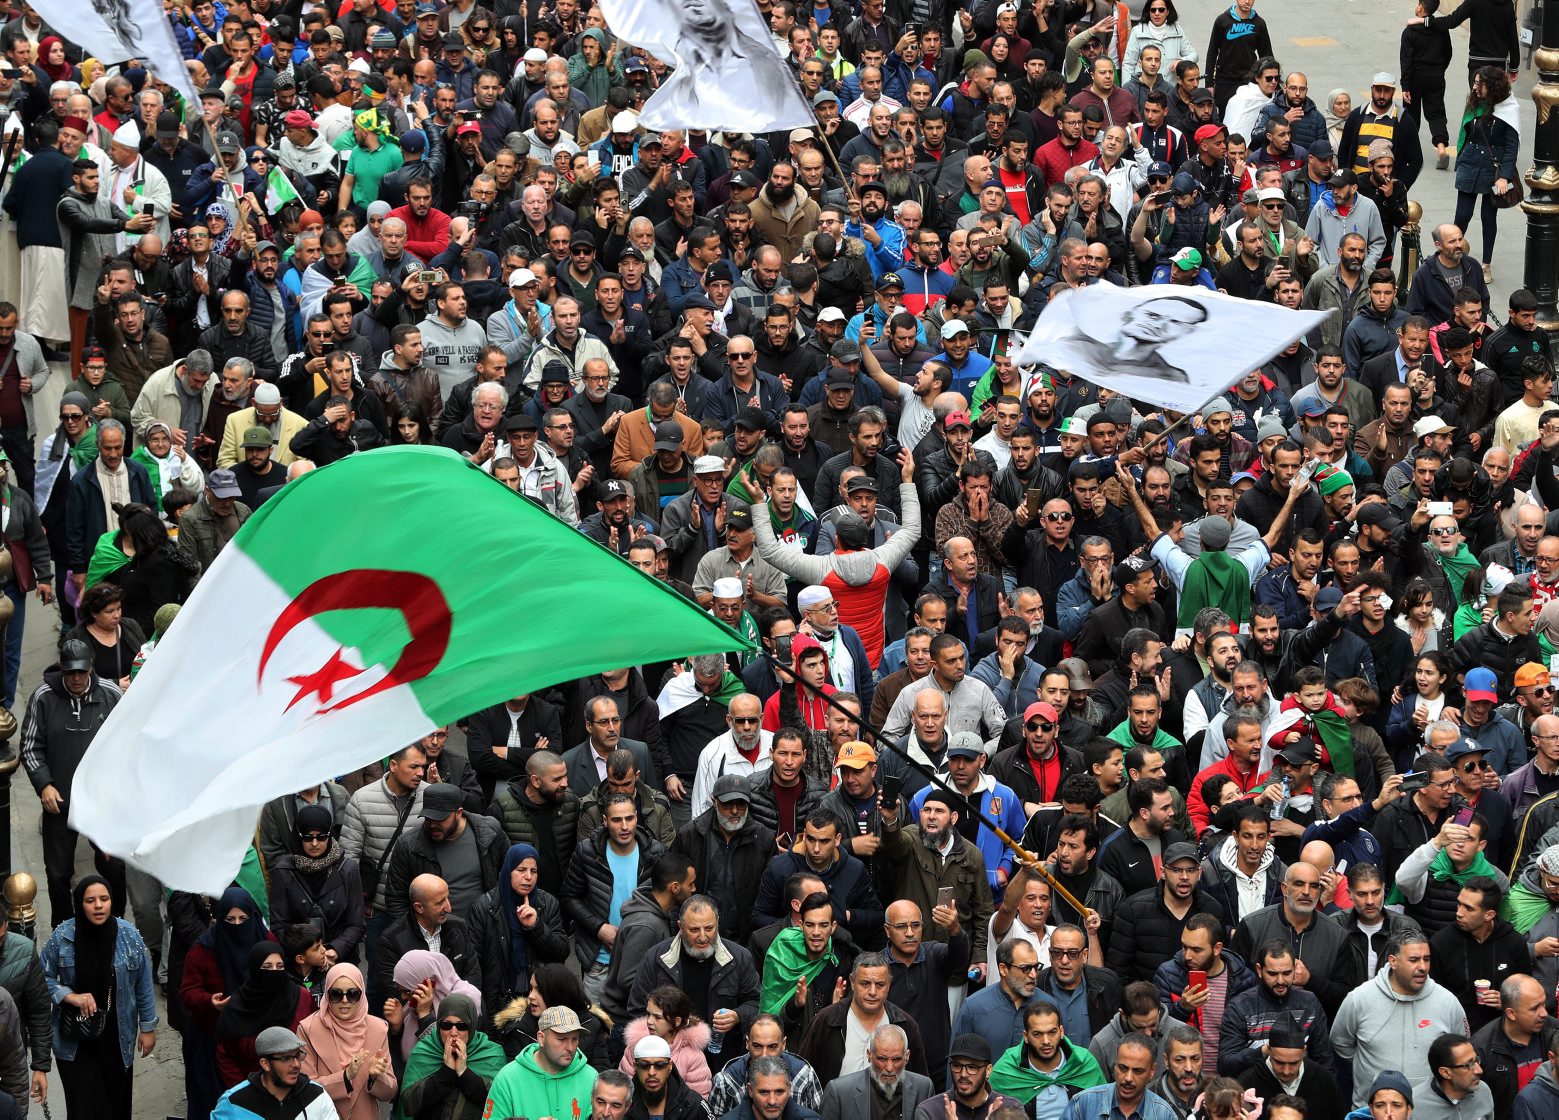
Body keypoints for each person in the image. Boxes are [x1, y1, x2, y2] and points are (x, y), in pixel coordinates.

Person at [21, 638, 124, 924]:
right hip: (60, 804)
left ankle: (115, 928)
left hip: (102, 804)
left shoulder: (111, 694)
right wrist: (44, 784)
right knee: (57, 875)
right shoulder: (43, 697)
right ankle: (62, 934)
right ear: (62, 670)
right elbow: (30, 747)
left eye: (82, 671)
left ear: (91, 668)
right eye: (71, 673)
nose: (77, 678)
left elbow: (128, 746)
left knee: (115, 870)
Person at [39, 875, 158, 1120]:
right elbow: (42, 980)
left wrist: (148, 1028)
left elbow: (144, 984)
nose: (98, 906)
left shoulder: (128, 936)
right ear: (79, 904)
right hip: (75, 1041)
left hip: (116, 1036)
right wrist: (70, 996)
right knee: (85, 1109)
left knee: (116, 1106)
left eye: (104, 899)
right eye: (90, 900)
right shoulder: (62, 937)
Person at [1333, 931, 1469, 1104]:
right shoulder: (1359, 999)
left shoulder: (1448, 1003)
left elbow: (1462, 1050)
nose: (1423, 967)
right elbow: (1340, 1043)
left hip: (1429, 1112)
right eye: (1414, 960)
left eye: (1426, 959)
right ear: (1393, 961)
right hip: (1372, 1111)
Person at [268, 804, 367, 967]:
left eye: (321, 837)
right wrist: (307, 954)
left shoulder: (347, 869)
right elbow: (279, 924)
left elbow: (356, 923)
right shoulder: (284, 870)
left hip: (341, 960)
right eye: (308, 837)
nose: (315, 843)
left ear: (330, 835)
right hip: (300, 963)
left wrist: (336, 950)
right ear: (298, 837)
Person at [297, 963, 397, 1120]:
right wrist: (345, 1077)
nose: (345, 1000)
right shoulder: (308, 1029)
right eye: (336, 994)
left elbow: (390, 1093)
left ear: (362, 995)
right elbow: (303, 1088)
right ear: (327, 995)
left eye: (352, 994)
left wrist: (375, 1078)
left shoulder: (378, 1028)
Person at [1453, 66, 1520, 284]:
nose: (1473, 86)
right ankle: (1451, 256)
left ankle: (1485, 264)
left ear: (1490, 87)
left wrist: (1505, 177)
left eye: (1478, 83)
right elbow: (1466, 133)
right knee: (1462, 215)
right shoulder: (1474, 103)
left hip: (1493, 169)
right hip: (1470, 162)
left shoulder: (1508, 109)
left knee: (1488, 217)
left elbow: (1511, 148)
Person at [394, 992, 507, 1120]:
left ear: (472, 1026)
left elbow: (498, 1102)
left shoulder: (490, 1054)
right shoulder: (423, 1051)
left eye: (461, 1026)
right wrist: (446, 1072)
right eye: (446, 1025)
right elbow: (409, 1103)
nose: (453, 1033)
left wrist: (464, 1073)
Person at [216, 942, 316, 1087]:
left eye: (279, 967)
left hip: (299, 1086)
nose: (274, 972)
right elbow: (225, 1056)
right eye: (266, 967)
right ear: (254, 970)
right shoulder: (237, 1006)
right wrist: (244, 1093)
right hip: (249, 1090)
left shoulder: (302, 998)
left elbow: (314, 1043)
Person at [482, 1004, 597, 1120]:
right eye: (562, 1039)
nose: (570, 1047)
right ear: (541, 1038)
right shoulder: (507, 1078)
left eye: (575, 1039)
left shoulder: (592, 1078)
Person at [211, 1025, 339, 1120]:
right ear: (265, 1064)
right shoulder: (234, 1102)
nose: (296, 1064)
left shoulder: (317, 1095)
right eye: (285, 1058)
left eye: (297, 1055)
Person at [818, 1023, 934, 1120]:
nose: (889, 1068)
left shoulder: (923, 1088)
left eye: (896, 1059)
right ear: (869, 1055)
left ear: (907, 1056)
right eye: (882, 1059)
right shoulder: (840, 1092)